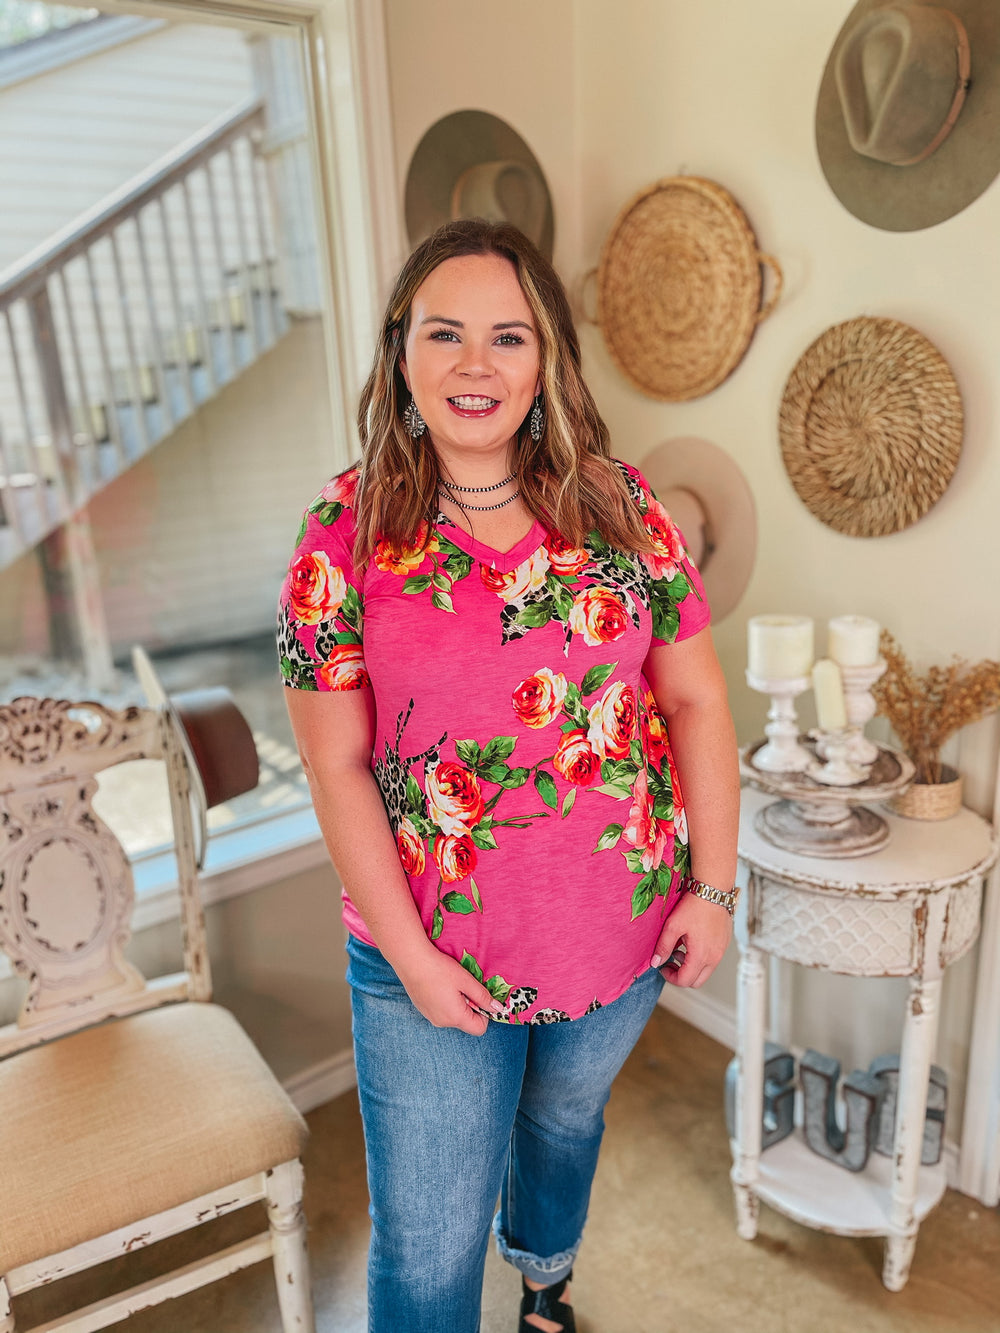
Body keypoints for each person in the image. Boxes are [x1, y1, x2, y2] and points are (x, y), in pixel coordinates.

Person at [278, 218, 740, 1333]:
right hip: (429, 959)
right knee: (428, 1245)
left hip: (620, 936)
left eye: (508, 336)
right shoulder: (340, 534)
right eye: (445, 333)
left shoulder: (626, 508)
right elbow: (335, 763)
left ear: (546, 361)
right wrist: (410, 959)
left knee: (561, 1125)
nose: (474, 363)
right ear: (401, 353)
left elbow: (694, 702)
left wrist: (714, 889)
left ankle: (544, 1279)